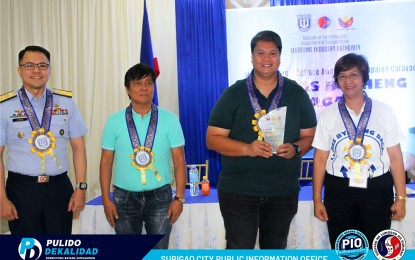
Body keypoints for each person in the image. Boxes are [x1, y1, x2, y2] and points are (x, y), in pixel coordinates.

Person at [206, 30, 317, 249]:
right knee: (239, 249)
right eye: (261, 53)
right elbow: (212, 139)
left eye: (272, 53)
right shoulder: (233, 93)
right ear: (251, 56)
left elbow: (310, 136)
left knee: (276, 249)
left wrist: (296, 149)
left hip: (282, 190)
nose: (267, 59)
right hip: (239, 190)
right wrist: (247, 149)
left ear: (280, 57)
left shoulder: (296, 93)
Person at [312, 53, 407, 248]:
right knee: (345, 248)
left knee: (377, 247)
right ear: (336, 80)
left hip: (377, 189)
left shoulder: (384, 111)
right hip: (339, 191)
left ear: (364, 77)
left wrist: (401, 198)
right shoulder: (327, 115)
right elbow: (320, 159)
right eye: (342, 76)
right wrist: (316, 199)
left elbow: (396, 158)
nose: (348, 81)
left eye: (354, 75)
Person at [0, 45, 88, 234]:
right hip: (21, 191)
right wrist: (1, 198)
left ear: (49, 70)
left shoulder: (66, 103)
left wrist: (81, 188)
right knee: (27, 251)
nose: (36, 71)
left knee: (58, 250)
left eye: (42, 65)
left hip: (59, 188)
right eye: (29, 65)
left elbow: (79, 148)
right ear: (19, 70)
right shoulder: (4, 107)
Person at [100, 63, 186, 249]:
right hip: (124, 199)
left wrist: (179, 198)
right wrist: (106, 200)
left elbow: (179, 161)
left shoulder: (170, 119)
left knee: (158, 251)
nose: (144, 88)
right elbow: (106, 162)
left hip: (160, 198)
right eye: (138, 83)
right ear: (127, 89)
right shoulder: (114, 121)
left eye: (149, 83)